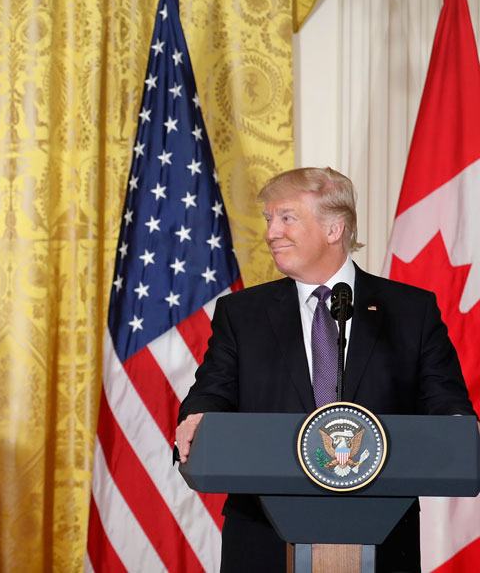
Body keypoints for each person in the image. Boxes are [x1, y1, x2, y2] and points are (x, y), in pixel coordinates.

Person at [175, 167, 474, 572]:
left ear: (334, 229)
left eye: (286, 218)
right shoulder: (242, 313)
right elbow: (212, 390)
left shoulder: (410, 311)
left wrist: (459, 429)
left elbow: (446, 404)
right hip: (263, 539)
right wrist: (196, 416)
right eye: (269, 219)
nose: (270, 233)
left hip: (381, 535)